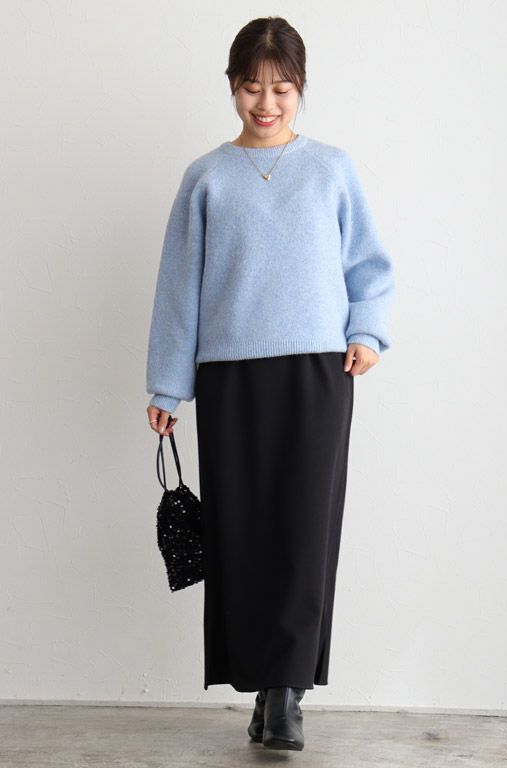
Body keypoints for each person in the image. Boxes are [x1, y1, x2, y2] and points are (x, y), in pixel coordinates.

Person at [145, 15, 395, 751]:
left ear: (300, 88)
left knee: (304, 530)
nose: (266, 102)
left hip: (319, 372)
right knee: (241, 532)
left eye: (282, 88)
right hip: (229, 377)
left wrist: (367, 332)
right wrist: (167, 386)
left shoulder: (332, 169)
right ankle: (262, 686)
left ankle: (286, 694)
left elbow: (368, 264)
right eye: (252, 86)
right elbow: (179, 288)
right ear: (232, 87)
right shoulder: (206, 177)